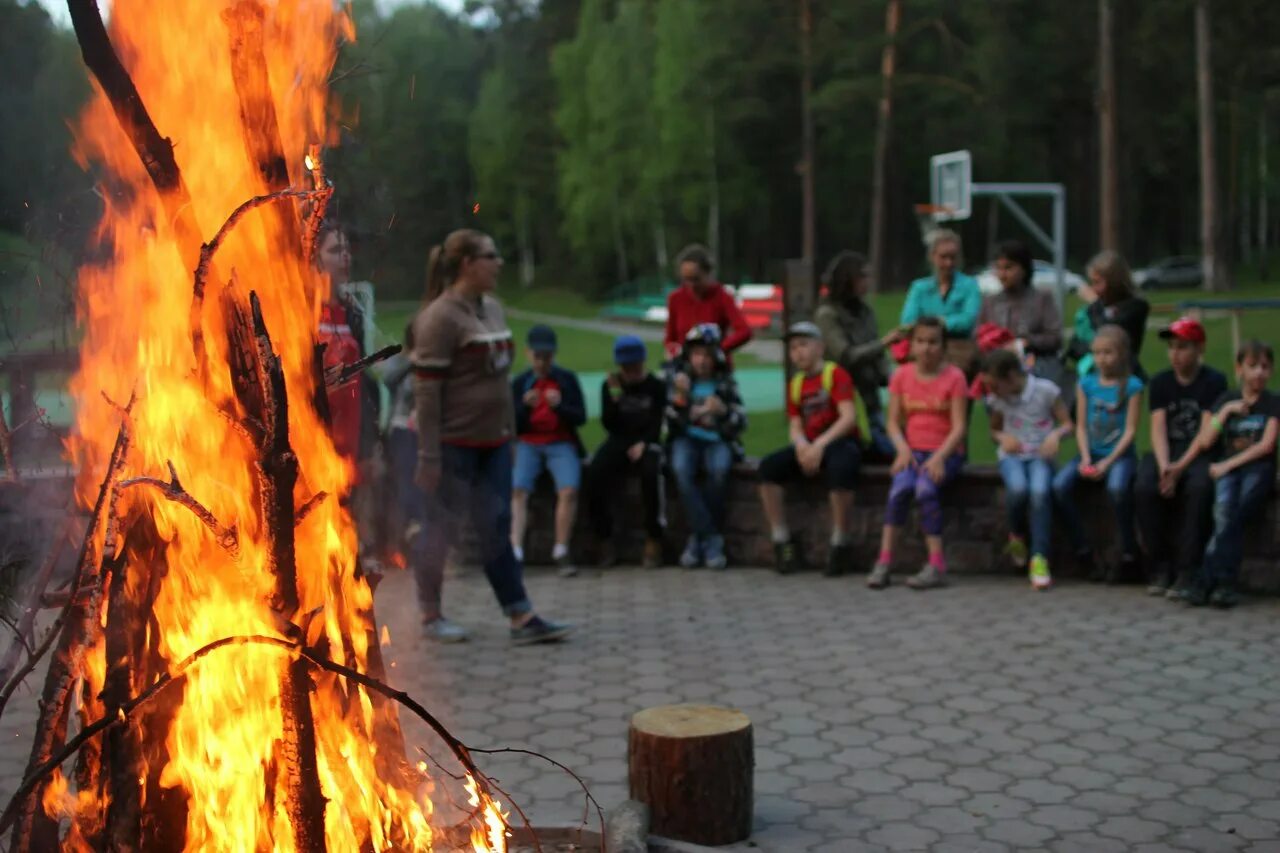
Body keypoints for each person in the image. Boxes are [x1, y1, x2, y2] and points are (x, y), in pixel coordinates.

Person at [411, 229, 572, 644]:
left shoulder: (494, 310)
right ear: (467, 264)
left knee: (496, 526)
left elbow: (501, 384)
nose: (499, 263)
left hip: (494, 443)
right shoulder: (439, 318)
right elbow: (426, 396)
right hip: (452, 447)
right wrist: (428, 457)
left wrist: (511, 437)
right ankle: (430, 615)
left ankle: (520, 615)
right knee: (440, 528)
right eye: (491, 256)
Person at [871, 317, 968, 591]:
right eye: (921, 341)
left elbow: (959, 427)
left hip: (945, 452)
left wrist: (939, 457)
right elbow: (892, 421)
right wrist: (901, 448)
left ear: (944, 346)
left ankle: (936, 564)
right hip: (912, 452)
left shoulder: (954, 377)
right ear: (911, 345)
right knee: (899, 490)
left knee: (925, 489)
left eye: (933, 342)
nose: (927, 349)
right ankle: (884, 561)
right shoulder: (901, 376)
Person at [757, 321, 861, 576]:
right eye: (793, 348)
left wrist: (820, 445)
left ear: (820, 347)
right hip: (811, 444)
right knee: (768, 469)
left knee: (841, 472)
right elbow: (795, 424)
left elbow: (848, 417)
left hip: (840, 441)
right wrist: (802, 445)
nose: (798, 352)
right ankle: (781, 540)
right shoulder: (795, 384)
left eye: (803, 345)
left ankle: (840, 542)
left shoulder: (835, 374)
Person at [1134, 317, 1226, 598]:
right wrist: (1165, 467)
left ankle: (1188, 568)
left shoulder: (1214, 381)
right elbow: (1158, 427)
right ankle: (1160, 566)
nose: (1176, 354)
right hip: (1168, 450)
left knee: (1198, 489)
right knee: (1145, 487)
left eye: (1183, 347)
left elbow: (1205, 431)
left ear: (1199, 349)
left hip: (1198, 451)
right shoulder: (1161, 382)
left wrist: (1179, 469)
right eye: (1172, 347)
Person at [1185, 340, 1279, 608]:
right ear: (1239, 369)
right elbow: (1204, 440)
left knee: (1235, 517)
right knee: (1224, 512)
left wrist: (1228, 465)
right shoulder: (1226, 400)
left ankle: (1210, 579)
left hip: (1257, 468)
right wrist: (1225, 413)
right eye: (1252, 366)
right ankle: (1220, 584)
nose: (1259, 373)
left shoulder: (1272, 402)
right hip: (1228, 469)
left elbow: (1266, 445)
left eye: (1264, 367)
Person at [1051, 325, 1144, 582]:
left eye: (1108, 353)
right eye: (1097, 353)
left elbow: (1130, 431)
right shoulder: (1086, 383)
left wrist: (1107, 462)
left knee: (1117, 489)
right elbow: (1080, 426)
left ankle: (1128, 551)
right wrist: (1086, 458)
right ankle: (1083, 550)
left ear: (1123, 354)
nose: (1102, 359)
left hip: (1119, 456)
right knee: (1060, 486)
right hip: (1090, 451)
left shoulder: (1132, 386)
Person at [980, 349, 1073, 590]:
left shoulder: (1045, 391)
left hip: (1040, 455)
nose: (992, 391)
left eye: (995, 384)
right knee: (1019, 489)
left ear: (1011, 377)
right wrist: (1002, 438)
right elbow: (994, 430)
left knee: (1040, 492)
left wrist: (1055, 436)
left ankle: (1039, 557)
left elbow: (1067, 424)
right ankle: (1016, 534)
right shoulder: (998, 400)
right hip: (1013, 456)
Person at [666, 324, 746, 570]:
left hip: (716, 441)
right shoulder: (679, 380)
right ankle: (710, 537)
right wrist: (681, 402)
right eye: (697, 354)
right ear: (689, 356)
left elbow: (741, 422)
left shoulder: (725, 383)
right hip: (687, 440)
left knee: (720, 470)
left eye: (707, 355)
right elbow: (667, 422)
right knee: (680, 469)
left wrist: (722, 412)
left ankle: (698, 538)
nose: (702, 361)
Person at [510, 325, 587, 578]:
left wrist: (560, 406)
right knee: (518, 489)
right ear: (528, 354)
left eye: (547, 356)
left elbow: (580, 417)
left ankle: (561, 548)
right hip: (528, 443)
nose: (542, 362)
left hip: (560, 441)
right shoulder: (520, 383)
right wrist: (524, 408)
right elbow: (510, 424)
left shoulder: (566, 380)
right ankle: (515, 550)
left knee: (568, 489)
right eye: (538, 356)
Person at [588, 335, 668, 568]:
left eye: (633, 367)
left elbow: (658, 422)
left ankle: (654, 538)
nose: (629, 373)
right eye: (625, 367)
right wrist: (614, 397)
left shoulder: (656, 386)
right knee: (595, 473)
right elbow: (609, 424)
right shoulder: (611, 385)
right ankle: (604, 538)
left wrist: (644, 442)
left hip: (647, 440)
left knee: (651, 473)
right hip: (620, 438)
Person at [813, 251, 900, 461]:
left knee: (888, 451)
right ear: (848, 280)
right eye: (862, 277)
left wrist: (896, 380)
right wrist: (884, 344)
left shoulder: (866, 311)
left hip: (869, 394)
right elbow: (845, 355)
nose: (867, 282)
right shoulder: (827, 314)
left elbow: (875, 353)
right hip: (842, 400)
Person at [977, 239, 1065, 385]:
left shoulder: (1042, 299)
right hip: (999, 368)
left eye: (1008, 268)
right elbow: (978, 335)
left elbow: (1055, 338)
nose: (1002, 274)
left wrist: (1025, 343)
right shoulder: (990, 302)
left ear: (1023, 269)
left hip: (1037, 366)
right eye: (999, 268)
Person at [900, 229, 982, 378]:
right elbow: (907, 321)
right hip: (925, 351)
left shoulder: (970, 285)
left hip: (960, 353)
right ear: (932, 257)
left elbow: (968, 320)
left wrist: (934, 322)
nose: (949, 263)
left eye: (953, 257)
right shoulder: (919, 287)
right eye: (943, 257)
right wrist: (946, 322)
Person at [663, 244, 754, 366]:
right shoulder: (676, 298)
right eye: (686, 279)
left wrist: (718, 350)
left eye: (696, 279)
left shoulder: (722, 296)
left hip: (715, 368)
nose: (691, 285)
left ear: (708, 273)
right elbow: (670, 338)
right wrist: (674, 351)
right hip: (685, 367)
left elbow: (744, 331)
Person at [383, 323, 426, 555]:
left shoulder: (434, 361)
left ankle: (420, 536)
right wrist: (412, 362)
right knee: (404, 482)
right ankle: (399, 542)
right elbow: (388, 381)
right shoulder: (400, 360)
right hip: (402, 429)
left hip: (426, 431)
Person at [1081, 250, 1150, 378]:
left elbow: (1108, 332)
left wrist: (1094, 304)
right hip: (1098, 374)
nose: (1093, 289)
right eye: (1092, 282)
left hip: (1125, 375)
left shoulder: (1136, 306)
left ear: (1113, 281)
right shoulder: (1098, 307)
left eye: (1097, 282)